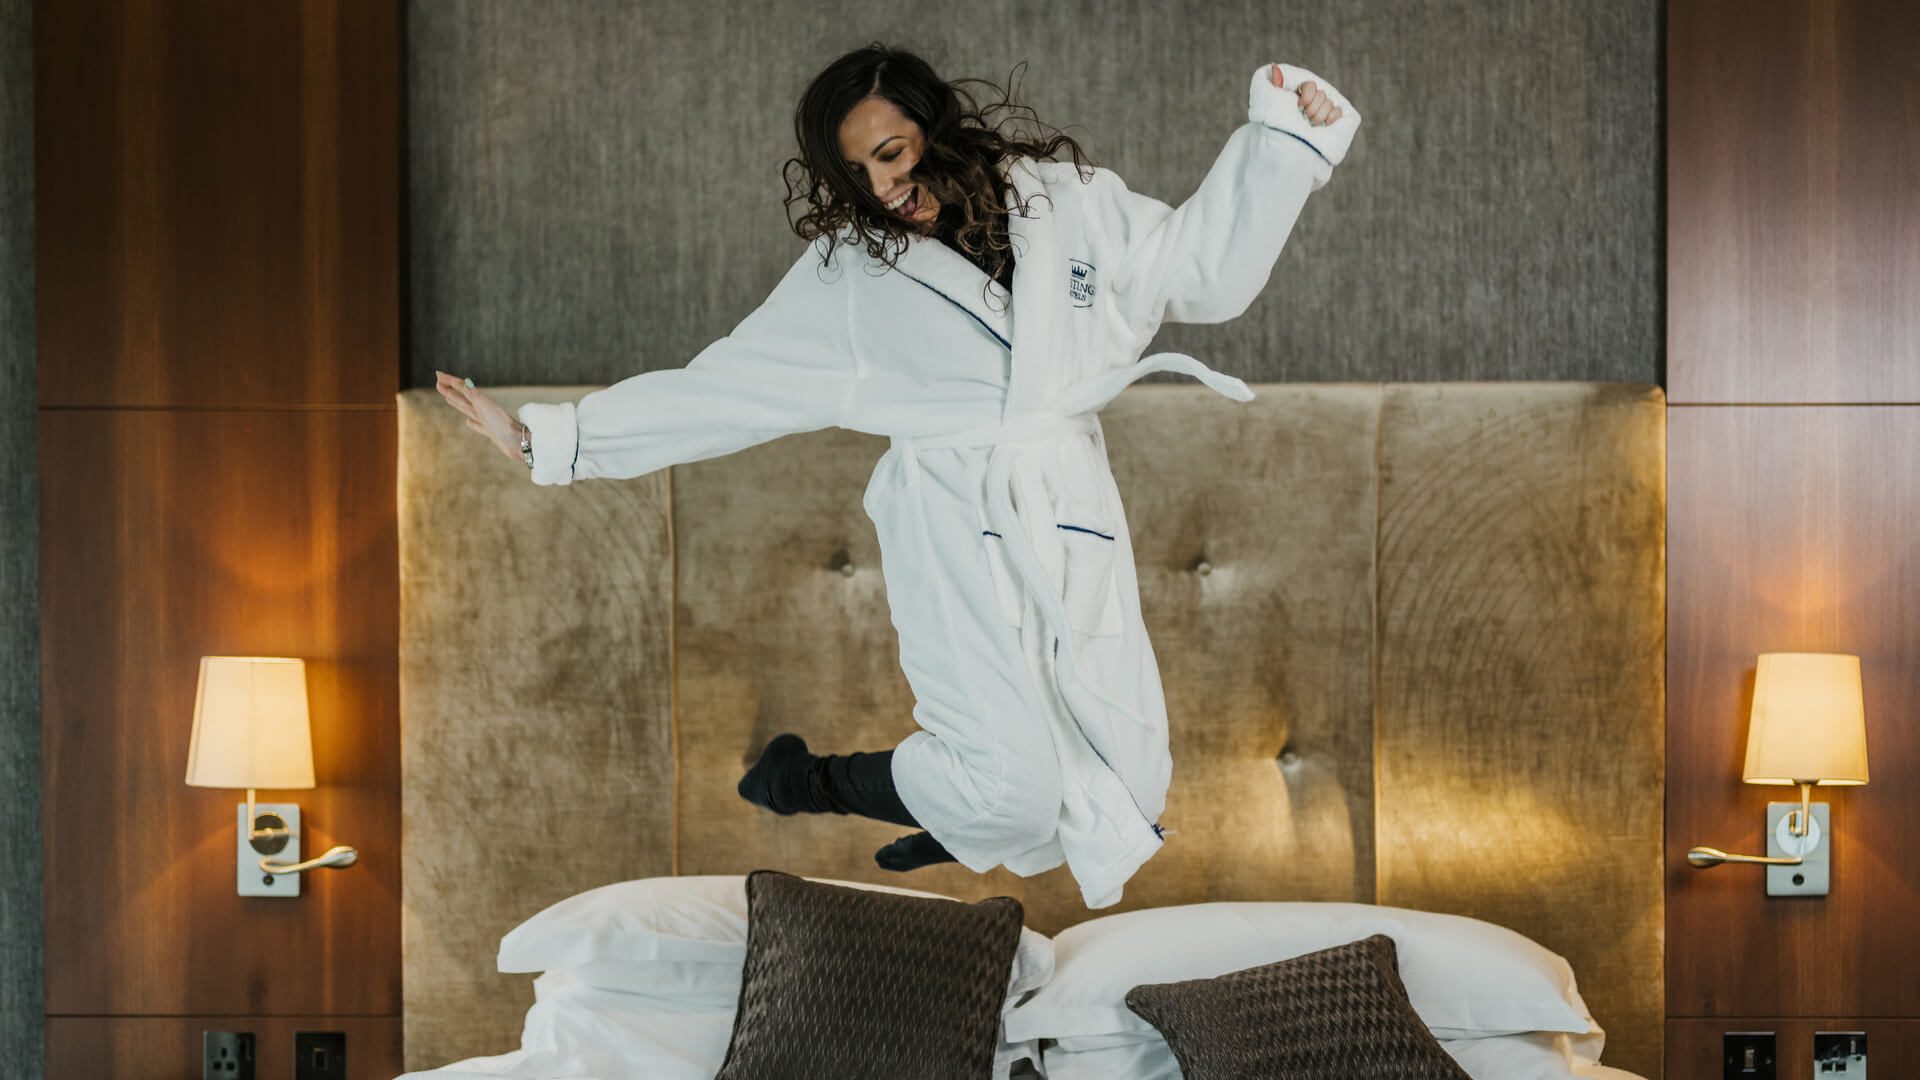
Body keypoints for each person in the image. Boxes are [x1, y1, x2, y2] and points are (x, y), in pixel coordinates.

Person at [435, 43, 1359, 909]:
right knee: (1015, 789)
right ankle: (813, 780)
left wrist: (1281, 148)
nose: (883, 189)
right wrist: (550, 441)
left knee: (1132, 776)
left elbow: (1201, 271)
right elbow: (724, 390)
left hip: (1067, 500)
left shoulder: (1066, 202)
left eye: (892, 153)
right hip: (951, 518)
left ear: (935, 125)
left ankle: (951, 816)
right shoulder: (850, 277)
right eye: (858, 175)